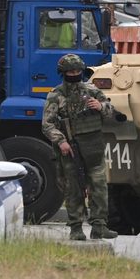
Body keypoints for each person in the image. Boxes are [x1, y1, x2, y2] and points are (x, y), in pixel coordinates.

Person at [41, 54, 118, 241]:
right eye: (71, 71)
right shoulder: (56, 95)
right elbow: (47, 125)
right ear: (63, 73)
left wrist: (100, 106)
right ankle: (76, 228)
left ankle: (99, 226)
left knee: (99, 186)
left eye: (77, 71)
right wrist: (61, 141)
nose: (75, 74)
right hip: (70, 149)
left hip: (93, 147)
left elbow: (110, 111)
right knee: (73, 188)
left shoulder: (92, 91)